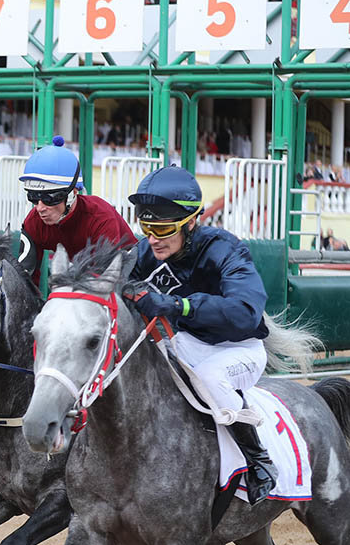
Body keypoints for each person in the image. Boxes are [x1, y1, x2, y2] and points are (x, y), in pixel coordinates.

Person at [125, 165, 276, 506]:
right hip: (189, 344)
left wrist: (181, 306)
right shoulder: (147, 250)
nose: (153, 238)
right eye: (147, 227)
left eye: (162, 228)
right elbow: (121, 278)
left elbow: (245, 312)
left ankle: (259, 460)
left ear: (191, 222)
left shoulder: (226, 250)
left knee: (209, 376)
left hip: (239, 349)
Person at [17, 135, 137, 284]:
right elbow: (25, 277)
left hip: (128, 272)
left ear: (73, 192)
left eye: (49, 198)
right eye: (33, 197)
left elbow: (104, 281)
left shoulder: (100, 217)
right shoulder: (33, 221)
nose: (40, 208)